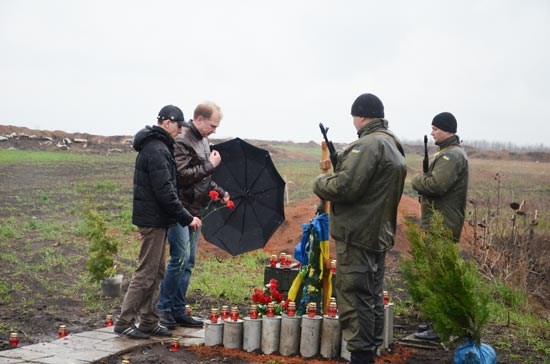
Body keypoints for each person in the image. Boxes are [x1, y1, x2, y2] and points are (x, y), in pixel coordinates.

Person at [313, 93, 407, 364]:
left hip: (358, 233)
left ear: (362, 115)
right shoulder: (392, 143)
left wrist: (321, 181)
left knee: (354, 295)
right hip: (377, 232)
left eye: (354, 115)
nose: (353, 121)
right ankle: (369, 350)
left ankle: (362, 356)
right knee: (371, 296)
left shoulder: (367, 145)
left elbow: (345, 187)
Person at [114, 105, 202, 339]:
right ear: (166, 122)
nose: (181, 131)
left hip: (159, 219)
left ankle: (149, 321)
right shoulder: (156, 149)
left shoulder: (161, 147)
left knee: (158, 271)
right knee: (146, 273)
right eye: (178, 126)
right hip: (153, 220)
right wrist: (186, 217)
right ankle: (124, 321)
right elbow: (165, 191)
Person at [157, 101, 229, 329]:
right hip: (181, 210)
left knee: (188, 262)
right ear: (199, 119)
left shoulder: (203, 141)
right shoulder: (181, 139)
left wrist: (220, 191)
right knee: (178, 259)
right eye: (212, 125)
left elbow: (203, 178)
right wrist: (210, 164)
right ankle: (164, 309)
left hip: (197, 210)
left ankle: (178, 310)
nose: (214, 130)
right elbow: (181, 175)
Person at [411, 111, 469, 340]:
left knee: (440, 276)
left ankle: (441, 328)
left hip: (442, 224)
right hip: (439, 222)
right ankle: (437, 323)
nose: (432, 132)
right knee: (436, 274)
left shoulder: (452, 156)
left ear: (447, 130)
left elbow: (436, 185)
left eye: (435, 128)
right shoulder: (448, 153)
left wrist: (417, 180)